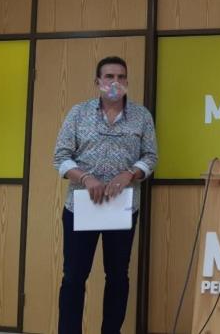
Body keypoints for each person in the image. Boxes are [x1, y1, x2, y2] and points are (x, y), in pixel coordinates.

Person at [53, 56, 157, 334]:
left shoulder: (141, 116)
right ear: (97, 81)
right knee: (74, 277)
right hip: (80, 207)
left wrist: (130, 174)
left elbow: (150, 157)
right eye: (109, 76)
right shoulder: (78, 113)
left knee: (118, 276)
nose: (115, 82)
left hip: (122, 208)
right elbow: (61, 157)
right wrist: (85, 178)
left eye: (121, 77)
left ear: (127, 81)